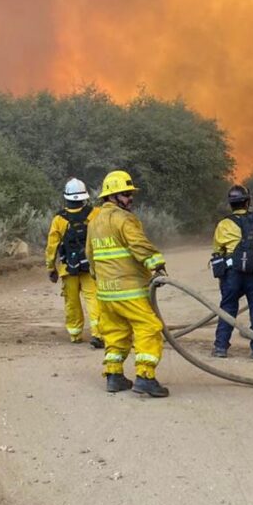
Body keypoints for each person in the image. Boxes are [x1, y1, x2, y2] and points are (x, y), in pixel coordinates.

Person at [86, 170, 170, 398]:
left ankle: (114, 376)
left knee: (115, 332)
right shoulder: (124, 219)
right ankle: (145, 377)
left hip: (105, 293)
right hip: (129, 291)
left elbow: (90, 256)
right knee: (149, 328)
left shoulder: (93, 222)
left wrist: (100, 280)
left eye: (130, 194)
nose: (130, 198)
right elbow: (139, 245)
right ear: (111, 197)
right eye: (124, 194)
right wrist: (157, 264)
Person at [210, 184, 253, 359]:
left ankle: (220, 347)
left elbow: (218, 250)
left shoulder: (223, 224)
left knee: (227, 308)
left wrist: (222, 276)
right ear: (248, 202)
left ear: (231, 204)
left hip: (232, 273)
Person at [45, 178, 103, 348]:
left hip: (67, 268)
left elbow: (51, 246)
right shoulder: (95, 213)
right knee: (93, 298)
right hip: (90, 266)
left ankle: (75, 334)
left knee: (72, 301)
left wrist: (51, 268)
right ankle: (98, 334)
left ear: (66, 197)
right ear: (85, 196)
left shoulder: (59, 219)